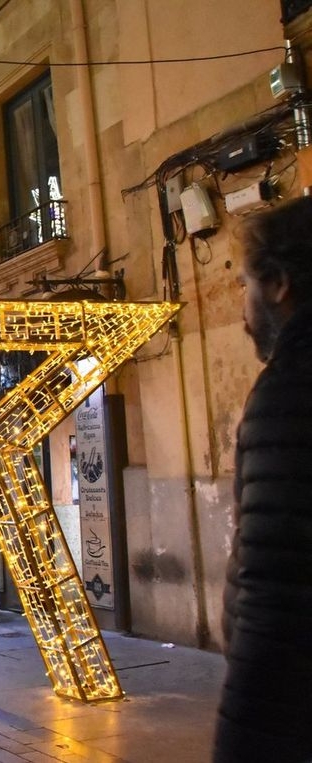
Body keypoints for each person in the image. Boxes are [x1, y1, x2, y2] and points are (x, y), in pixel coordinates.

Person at [214, 197, 312, 762]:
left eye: (244, 284)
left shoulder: (293, 389)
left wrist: (244, 739)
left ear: (278, 284)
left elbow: (277, 593)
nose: (241, 308)